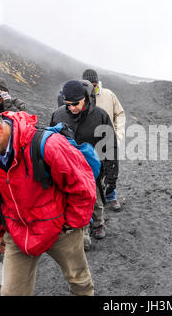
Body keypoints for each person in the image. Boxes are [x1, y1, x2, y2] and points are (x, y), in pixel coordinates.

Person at [0, 101, 96, 296]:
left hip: (60, 228)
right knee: (11, 292)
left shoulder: (49, 144)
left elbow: (83, 187)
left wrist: (71, 225)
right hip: (17, 231)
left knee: (79, 280)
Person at [50, 80, 118, 250]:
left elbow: (110, 145)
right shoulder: (58, 115)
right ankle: (83, 230)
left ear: (86, 98)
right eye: (68, 104)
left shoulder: (100, 115)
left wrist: (112, 175)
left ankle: (98, 223)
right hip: (68, 167)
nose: (72, 108)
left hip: (93, 167)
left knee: (94, 197)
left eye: (76, 104)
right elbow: (51, 141)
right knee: (73, 201)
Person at [82, 69, 125, 212]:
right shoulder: (81, 98)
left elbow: (119, 114)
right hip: (88, 142)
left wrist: (117, 135)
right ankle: (94, 200)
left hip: (107, 140)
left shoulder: (108, 95)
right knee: (91, 171)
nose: (92, 88)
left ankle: (111, 196)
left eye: (94, 85)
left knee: (110, 169)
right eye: (89, 85)